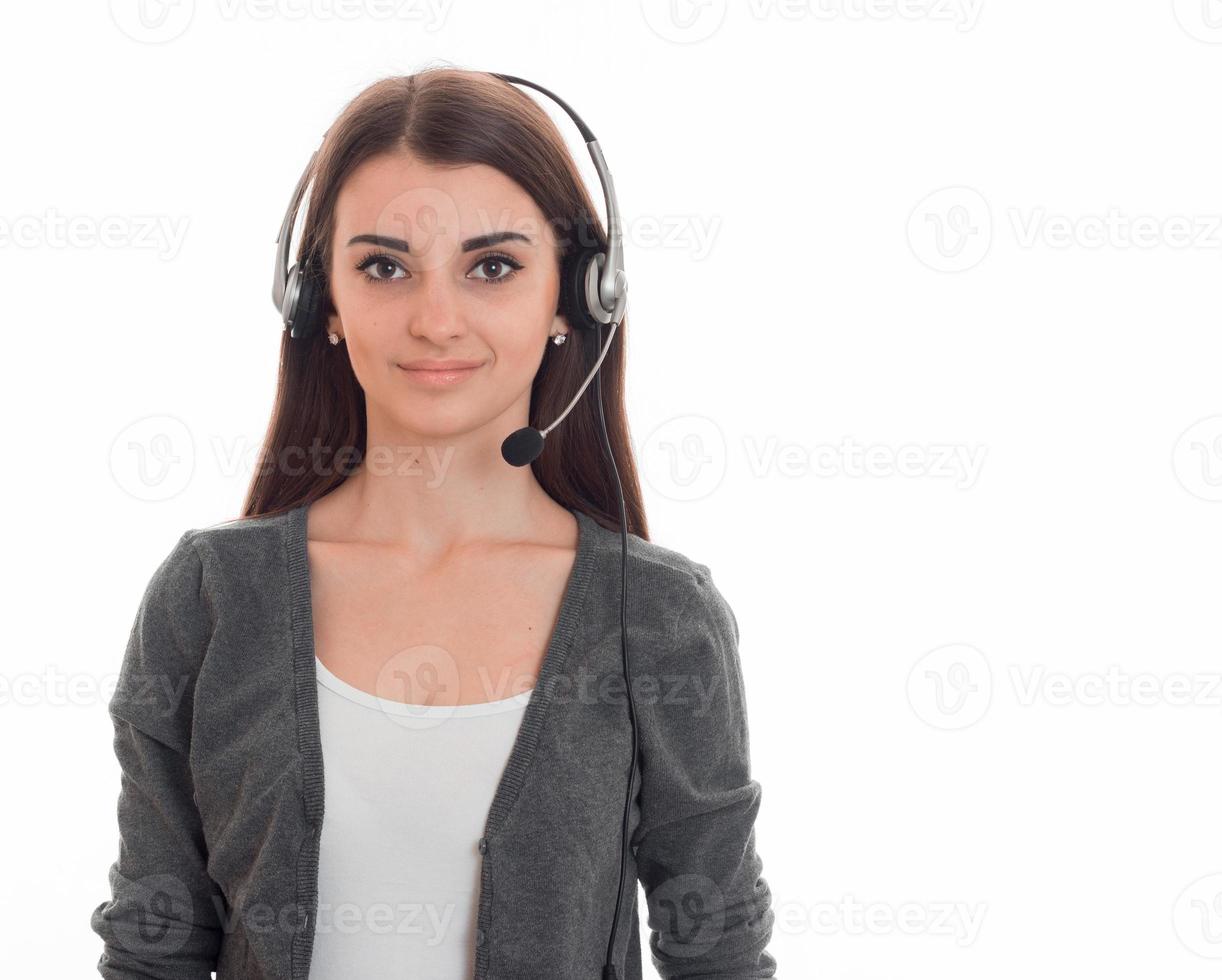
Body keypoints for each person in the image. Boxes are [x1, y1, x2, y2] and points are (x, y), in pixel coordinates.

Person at [91, 65, 776, 980]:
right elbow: (154, 949)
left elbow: (718, 954)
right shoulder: (213, 597)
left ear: (576, 299)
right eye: (384, 267)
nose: (436, 319)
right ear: (319, 303)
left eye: (492, 266)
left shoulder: (655, 615)